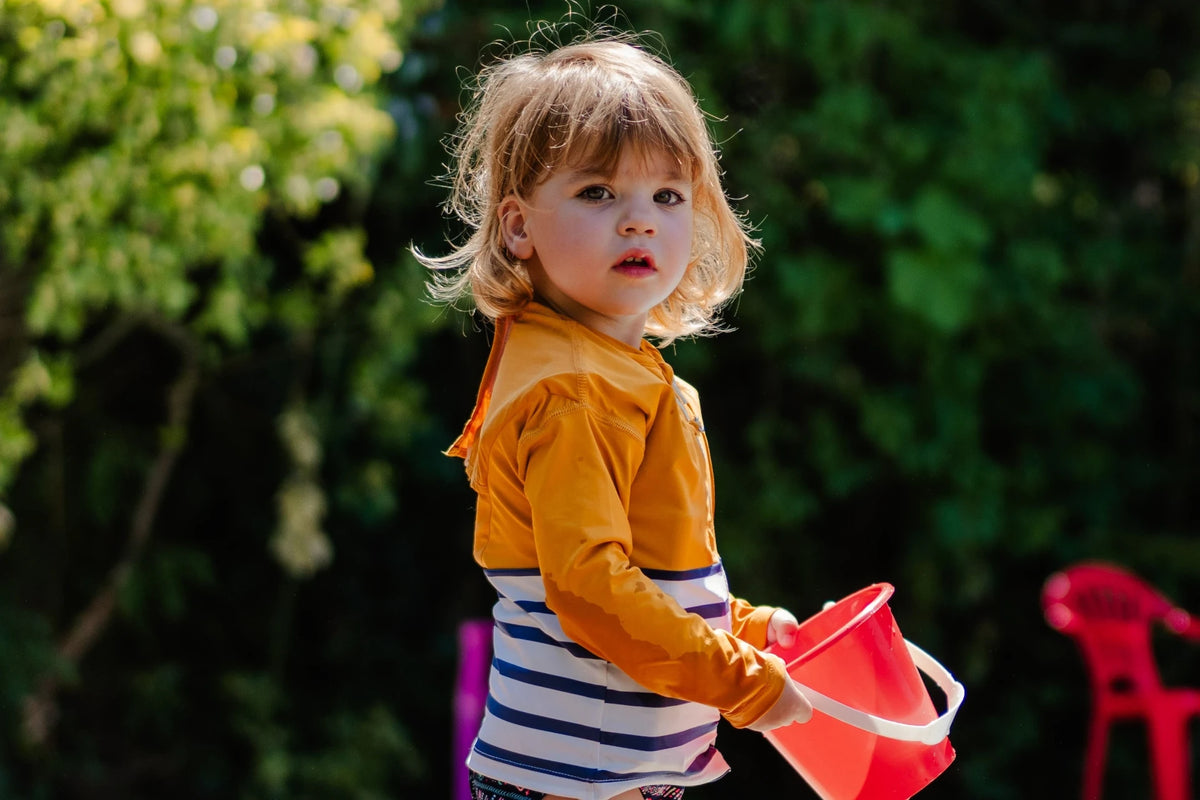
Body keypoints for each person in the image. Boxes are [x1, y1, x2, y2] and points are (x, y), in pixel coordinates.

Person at [416, 23, 814, 800]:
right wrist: (742, 681)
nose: (639, 219)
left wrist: (743, 627)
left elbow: (645, 581)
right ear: (518, 225)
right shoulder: (573, 393)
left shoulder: (614, 371)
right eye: (598, 192)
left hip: (604, 776)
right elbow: (591, 590)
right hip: (578, 782)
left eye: (667, 195)